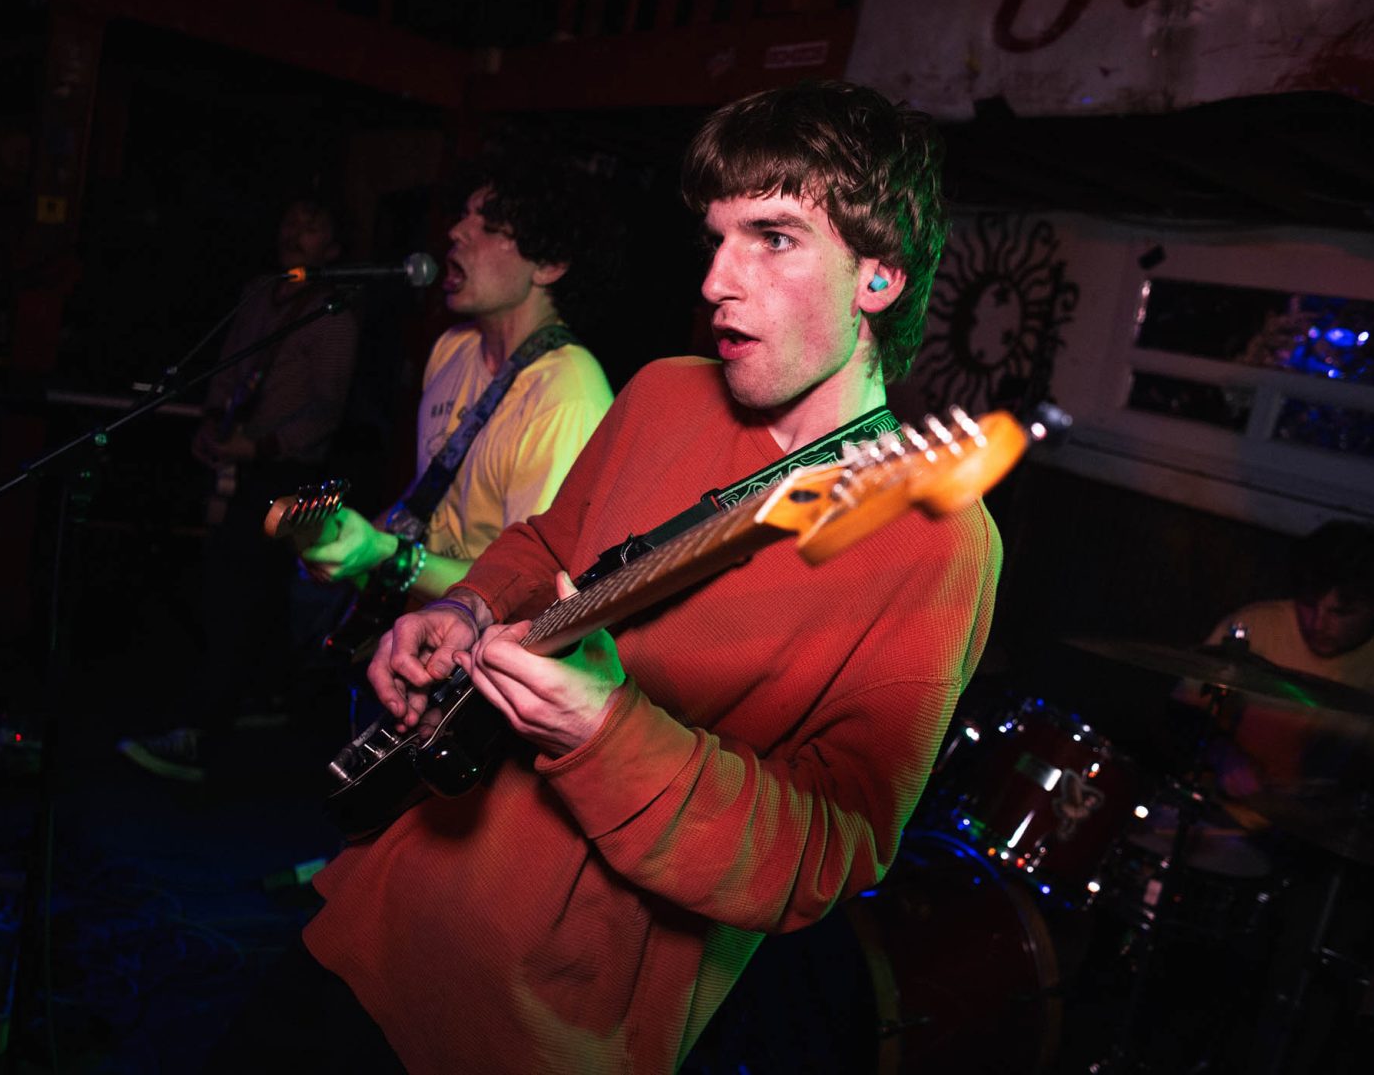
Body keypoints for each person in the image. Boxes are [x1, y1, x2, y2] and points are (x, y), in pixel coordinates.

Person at [287, 81, 1000, 1074]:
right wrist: (465, 603)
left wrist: (603, 731)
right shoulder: (664, 391)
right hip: (384, 907)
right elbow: (546, 539)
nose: (717, 280)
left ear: (878, 277)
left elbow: (831, 847)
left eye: (774, 238)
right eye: (717, 239)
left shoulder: (936, 537)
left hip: (540, 1026)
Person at [297, 138, 616, 612]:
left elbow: (534, 583)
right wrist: (353, 541)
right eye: (463, 216)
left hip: (476, 666)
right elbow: (430, 506)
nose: (457, 233)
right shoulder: (452, 348)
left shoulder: (569, 394)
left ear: (549, 264)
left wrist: (388, 555)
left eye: (488, 226)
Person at [118, 196, 359, 783]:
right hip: (236, 458)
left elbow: (327, 411)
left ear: (333, 246)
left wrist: (262, 446)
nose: (295, 231)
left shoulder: (334, 313)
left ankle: (203, 736)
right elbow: (229, 366)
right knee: (234, 590)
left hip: (281, 472)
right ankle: (256, 699)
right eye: (291, 219)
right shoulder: (260, 292)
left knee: (240, 589)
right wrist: (209, 421)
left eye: (312, 223)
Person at [1202, 519, 1374, 796]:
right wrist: (1225, 756)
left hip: (1328, 830)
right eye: (1308, 605)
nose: (1318, 624)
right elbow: (1184, 718)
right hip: (1228, 807)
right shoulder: (1256, 625)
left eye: (1340, 612)